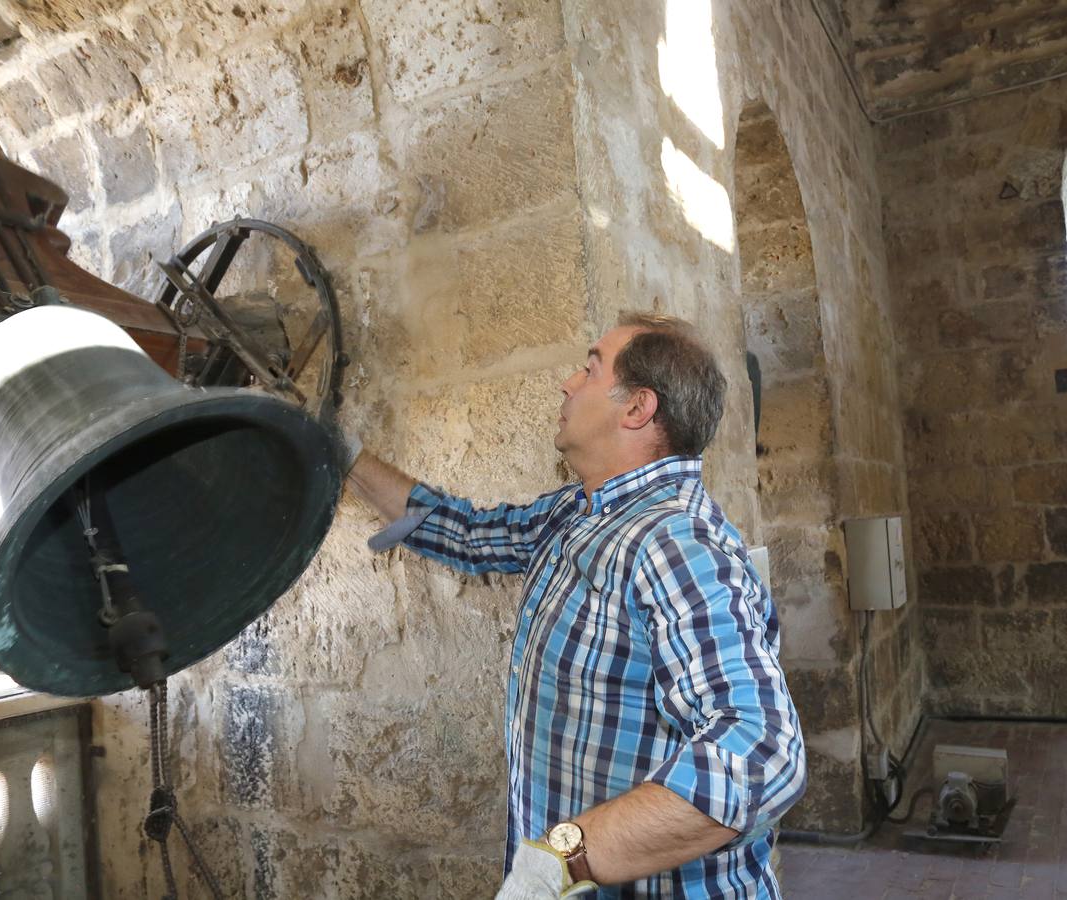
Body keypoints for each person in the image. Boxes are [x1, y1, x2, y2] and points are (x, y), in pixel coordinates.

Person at [344, 312, 806, 898]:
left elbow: (763, 756)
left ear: (637, 408)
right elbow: (463, 531)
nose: (567, 383)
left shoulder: (673, 543)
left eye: (589, 369)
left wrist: (564, 858)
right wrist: (345, 454)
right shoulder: (577, 512)